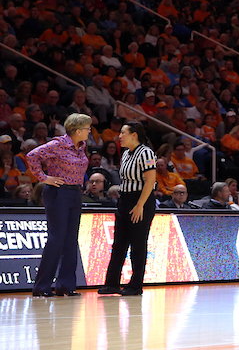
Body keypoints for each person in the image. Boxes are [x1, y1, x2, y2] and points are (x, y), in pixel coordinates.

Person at [24, 113, 93, 297]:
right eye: (87, 128)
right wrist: (44, 178)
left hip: (74, 193)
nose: (89, 131)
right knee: (56, 239)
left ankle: (66, 285)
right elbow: (32, 156)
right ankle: (42, 286)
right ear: (78, 130)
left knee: (71, 240)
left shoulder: (81, 146)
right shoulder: (58, 144)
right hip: (58, 193)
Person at [98, 122, 157, 296]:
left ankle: (135, 285)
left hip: (141, 201)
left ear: (134, 135)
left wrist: (140, 205)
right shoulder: (125, 154)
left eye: (123, 133)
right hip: (124, 200)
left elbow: (150, 181)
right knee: (119, 244)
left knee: (138, 245)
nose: (119, 136)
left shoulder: (146, 153)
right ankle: (112, 284)